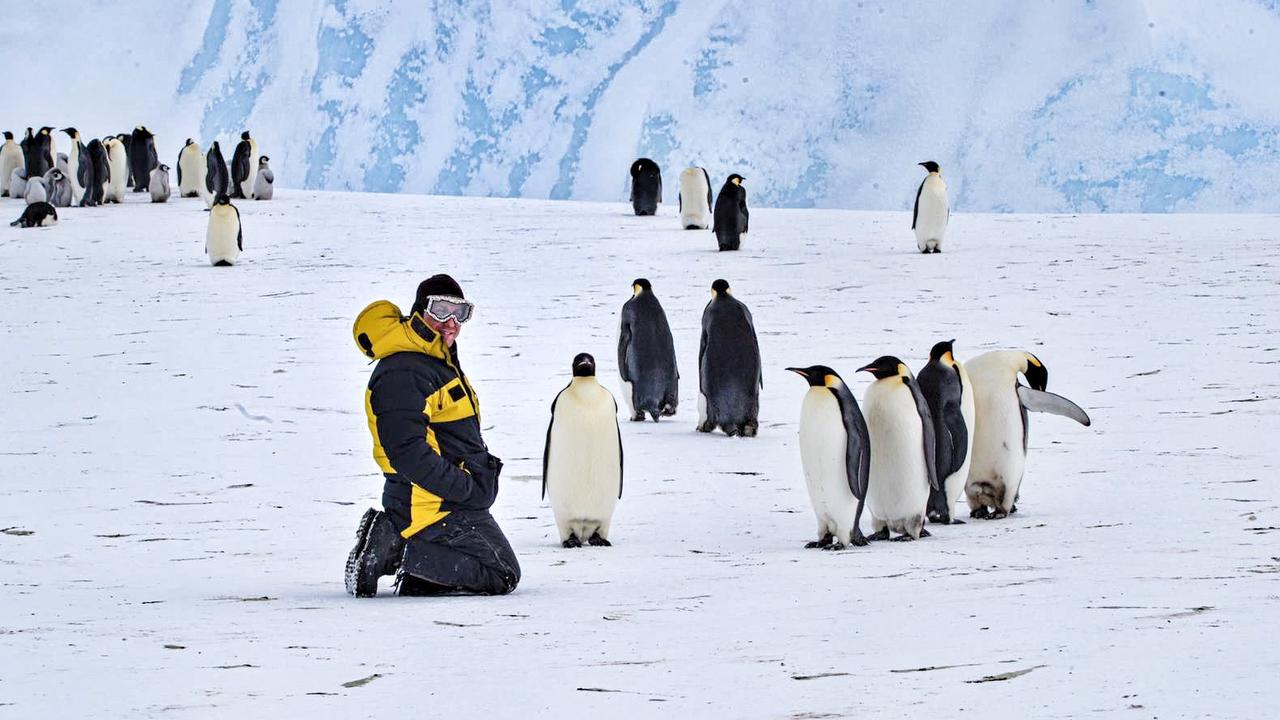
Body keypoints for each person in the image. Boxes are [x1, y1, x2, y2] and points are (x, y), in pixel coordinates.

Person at [345, 274, 520, 596]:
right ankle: (395, 548)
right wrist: (465, 488)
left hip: (444, 499)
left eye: (461, 313)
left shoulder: (433, 362)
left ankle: (406, 557)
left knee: (491, 568)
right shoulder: (405, 371)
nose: (450, 322)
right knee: (501, 573)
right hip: (432, 504)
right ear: (417, 312)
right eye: (440, 309)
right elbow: (407, 452)